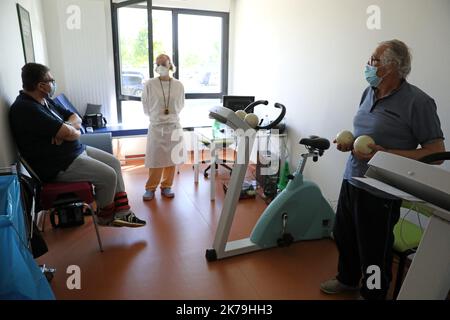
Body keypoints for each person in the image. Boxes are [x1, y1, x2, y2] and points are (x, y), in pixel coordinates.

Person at [321, 40, 445, 300]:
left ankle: (373, 293)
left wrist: (385, 155)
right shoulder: (369, 91)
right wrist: (349, 144)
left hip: (382, 189)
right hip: (352, 178)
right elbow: (365, 136)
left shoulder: (418, 102)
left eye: (374, 60)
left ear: (392, 67)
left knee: (374, 250)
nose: (368, 65)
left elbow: (436, 154)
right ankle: (347, 279)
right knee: (344, 235)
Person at [10, 63, 146, 228]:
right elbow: (74, 132)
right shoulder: (26, 109)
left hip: (74, 151)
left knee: (114, 163)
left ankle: (123, 212)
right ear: (41, 85)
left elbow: (75, 117)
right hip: (58, 165)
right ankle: (105, 217)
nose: (53, 83)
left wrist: (66, 128)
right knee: (108, 176)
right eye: (51, 80)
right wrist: (69, 131)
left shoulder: (45, 101)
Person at [141, 54, 185, 201]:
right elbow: (146, 106)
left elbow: (180, 105)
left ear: (170, 65)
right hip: (156, 126)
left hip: (173, 125)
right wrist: (156, 117)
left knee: (171, 159)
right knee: (155, 159)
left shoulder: (178, 85)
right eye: (158, 64)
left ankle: (167, 185)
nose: (160, 66)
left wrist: (169, 116)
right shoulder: (149, 84)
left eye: (163, 63)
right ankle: (150, 188)